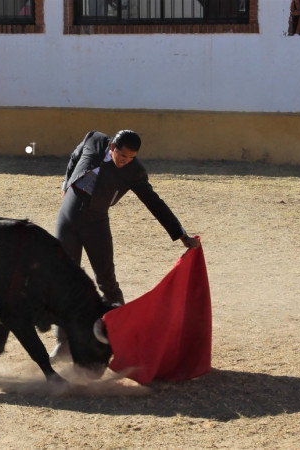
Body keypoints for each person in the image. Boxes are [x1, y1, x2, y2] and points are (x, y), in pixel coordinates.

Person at [49, 129, 200, 361]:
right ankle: (63, 343)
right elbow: (76, 155)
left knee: (107, 279)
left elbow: (154, 203)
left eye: (130, 158)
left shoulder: (134, 171)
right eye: (121, 156)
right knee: (64, 280)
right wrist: (65, 183)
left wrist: (180, 234)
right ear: (111, 147)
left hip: (97, 221)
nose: (124, 162)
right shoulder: (94, 140)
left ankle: (123, 337)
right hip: (68, 216)